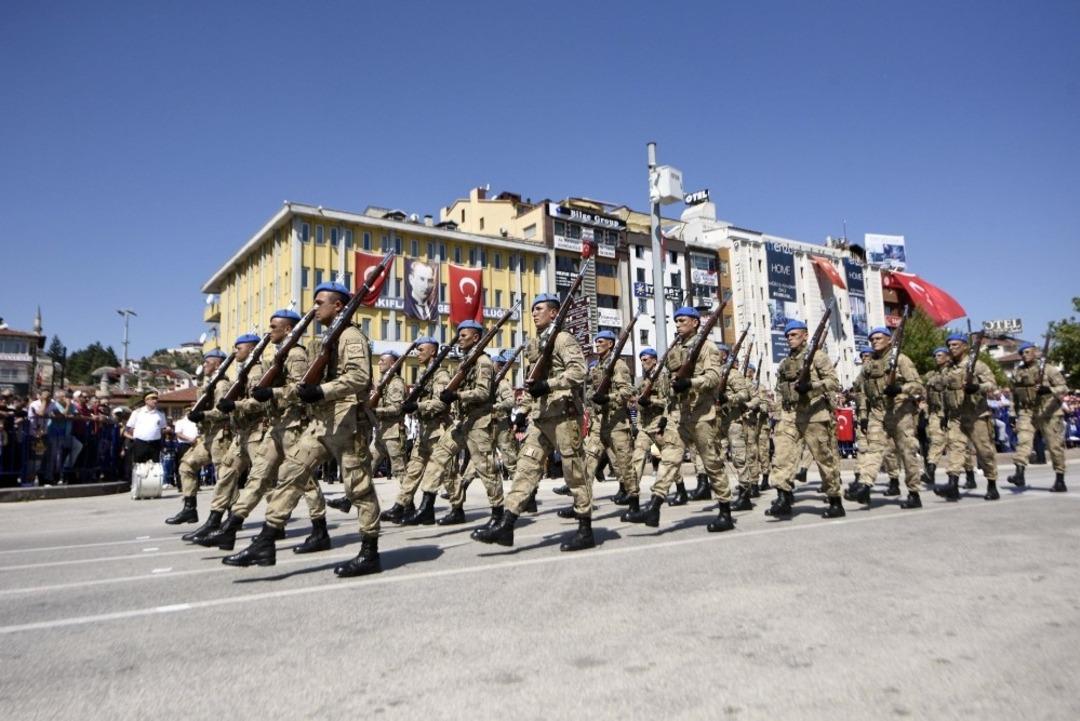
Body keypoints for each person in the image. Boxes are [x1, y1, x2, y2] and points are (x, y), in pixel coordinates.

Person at [223, 283, 382, 576]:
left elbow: (359, 377)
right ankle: (266, 540)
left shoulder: (350, 336)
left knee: (358, 488)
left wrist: (322, 391)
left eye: (320, 302)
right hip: (321, 423)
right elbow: (306, 384)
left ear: (337, 306)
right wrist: (274, 394)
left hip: (349, 424)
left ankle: (369, 552)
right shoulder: (326, 339)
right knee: (291, 473)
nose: (315, 307)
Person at [197, 309, 327, 552]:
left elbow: (301, 390)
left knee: (305, 481)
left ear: (288, 329)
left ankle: (320, 529)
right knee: (257, 477)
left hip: (293, 426)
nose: (269, 331)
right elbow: (261, 397)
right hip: (276, 426)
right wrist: (240, 404)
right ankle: (230, 529)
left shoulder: (296, 354)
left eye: (274, 326)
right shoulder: (279, 355)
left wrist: (261, 397)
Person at [473, 292, 590, 551]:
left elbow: (579, 371)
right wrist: (522, 410)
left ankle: (585, 528)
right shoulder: (537, 342)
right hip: (540, 418)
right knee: (525, 469)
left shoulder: (563, 338)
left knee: (574, 472)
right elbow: (532, 383)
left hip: (563, 415)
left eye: (540, 308)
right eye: (533, 309)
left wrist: (549, 384)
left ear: (554, 313)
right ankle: (507, 525)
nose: (534, 313)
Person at [625, 306, 735, 532]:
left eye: (682, 320)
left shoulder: (707, 347)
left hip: (703, 415)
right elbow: (669, 385)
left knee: (712, 464)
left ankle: (725, 512)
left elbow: (714, 377)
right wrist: (665, 414)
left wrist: (691, 383)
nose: (678, 324)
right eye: (676, 321)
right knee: (669, 459)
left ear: (695, 322)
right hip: (679, 415)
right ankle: (654, 506)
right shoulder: (676, 349)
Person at [413, 320, 501, 527]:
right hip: (463, 421)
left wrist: (457, 395)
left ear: (476, 338)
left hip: (479, 422)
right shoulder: (465, 361)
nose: (459, 339)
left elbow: (483, 392)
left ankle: (498, 514)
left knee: (486, 469)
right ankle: (428, 507)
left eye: (463, 335)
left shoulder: (483, 362)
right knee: (438, 456)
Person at [181, 333, 263, 544]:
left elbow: (255, 403)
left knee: (268, 481)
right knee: (224, 474)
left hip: (250, 432)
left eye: (239, 348)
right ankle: (215, 521)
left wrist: (207, 414)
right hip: (239, 433)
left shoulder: (250, 374)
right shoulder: (239, 374)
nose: (235, 352)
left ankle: (277, 525)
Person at [764, 319, 844, 519]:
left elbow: (834, 382)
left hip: (813, 413)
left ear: (805, 335)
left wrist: (811, 386)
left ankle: (835, 500)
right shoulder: (785, 363)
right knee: (782, 456)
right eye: (787, 336)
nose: (789, 339)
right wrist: (778, 414)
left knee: (824, 459)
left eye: (794, 335)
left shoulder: (818, 356)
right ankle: (783, 498)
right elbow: (779, 390)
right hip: (790, 414)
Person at [845, 327, 925, 509]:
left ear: (889, 340)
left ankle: (914, 493)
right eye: (872, 339)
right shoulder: (868, 365)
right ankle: (865, 485)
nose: (875, 341)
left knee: (907, 452)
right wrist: (862, 413)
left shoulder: (901, 360)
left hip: (900, 411)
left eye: (879, 338)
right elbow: (860, 389)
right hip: (878, 412)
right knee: (873, 449)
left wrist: (900, 389)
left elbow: (918, 385)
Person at [332, 350, 407, 514]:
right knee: (367, 467)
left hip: (393, 433)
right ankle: (349, 499)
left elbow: (397, 408)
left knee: (400, 471)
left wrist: (374, 411)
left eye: (382, 361)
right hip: (381, 433)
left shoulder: (396, 384)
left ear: (392, 364)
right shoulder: (383, 383)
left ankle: (407, 505)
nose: (379, 363)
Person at [166, 348, 232, 525]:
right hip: (207, 436)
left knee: (224, 476)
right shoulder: (208, 385)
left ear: (218, 364)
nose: (204, 365)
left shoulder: (222, 385)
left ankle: (232, 516)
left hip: (221, 435)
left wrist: (203, 415)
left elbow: (223, 411)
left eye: (207, 362)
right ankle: (189, 509)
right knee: (186, 466)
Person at [393, 337, 452, 524]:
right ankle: (400, 505)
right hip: (424, 430)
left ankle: (457, 508)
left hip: (438, 430)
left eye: (421, 350)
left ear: (432, 351)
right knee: (413, 469)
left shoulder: (441, 376)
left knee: (446, 473)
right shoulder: (423, 374)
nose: (417, 353)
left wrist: (417, 406)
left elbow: (442, 403)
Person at [578, 330, 634, 518]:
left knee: (624, 465)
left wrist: (608, 398)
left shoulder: (618, 365)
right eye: (596, 341)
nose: (597, 344)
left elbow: (627, 391)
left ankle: (634, 502)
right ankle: (582, 505)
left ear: (610, 344)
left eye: (600, 341)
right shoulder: (597, 366)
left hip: (616, 423)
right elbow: (592, 391)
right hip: (599, 422)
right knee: (588, 461)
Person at [938, 333, 999, 501]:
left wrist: (977, 387)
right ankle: (952, 484)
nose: (951, 348)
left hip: (976, 415)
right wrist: (944, 414)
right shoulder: (948, 368)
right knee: (955, 448)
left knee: (984, 451)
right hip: (956, 416)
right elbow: (945, 393)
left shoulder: (977, 365)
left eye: (955, 345)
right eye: (949, 345)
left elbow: (992, 384)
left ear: (965, 346)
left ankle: (992, 484)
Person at [1008, 342, 1069, 492]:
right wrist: (1012, 413)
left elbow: (1064, 388)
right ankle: (1019, 473)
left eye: (1027, 352)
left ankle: (1060, 479)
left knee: (1054, 446)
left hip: (1049, 412)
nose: (1024, 355)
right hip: (1027, 412)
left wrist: (1049, 390)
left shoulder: (1049, 369)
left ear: (1035, 352)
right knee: (1023, 442)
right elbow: (1014, 395)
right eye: (1022, 353)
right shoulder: (1017, 372)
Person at [626, 348, 669, 511]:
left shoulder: (662, 377)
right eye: (642, 360)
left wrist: (651, 402)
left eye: (646, 359)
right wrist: (636, 423)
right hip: (644, 426)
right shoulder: (642, 380)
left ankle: (680, 488)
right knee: (637, 458)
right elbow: (638, 406)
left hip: (658, 424)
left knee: (668, 458)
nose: (643, 363)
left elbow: (667, 401)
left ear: (654, 360)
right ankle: (633, 494)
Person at [124, 391, 167, 465]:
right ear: (146, 400)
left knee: (154, 467)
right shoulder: (137, 412)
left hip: (155, 444)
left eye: (156, 399)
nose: (155, 401)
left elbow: (163, 429)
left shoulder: (161, 414)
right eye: (153, 398)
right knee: (139, 466)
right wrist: (135, 437)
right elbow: (128, 428)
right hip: (140, 444)